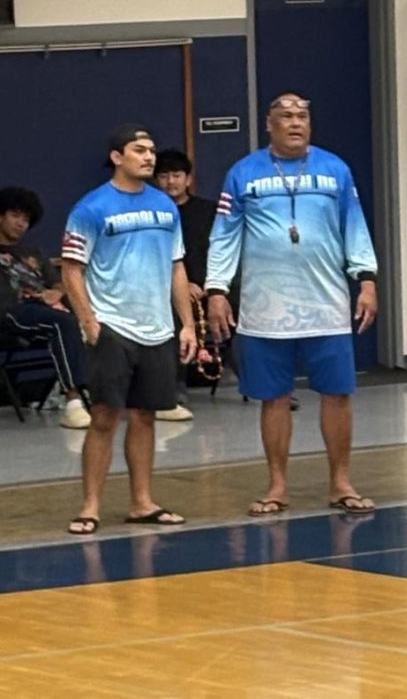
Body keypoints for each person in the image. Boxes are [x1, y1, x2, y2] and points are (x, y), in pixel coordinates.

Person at [205, 92, 379, 517]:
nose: (296, 123)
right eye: (286, 116)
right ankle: (277, 486)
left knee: (337, 394)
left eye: (303, 115)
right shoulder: (242, 174)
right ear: (269, 123)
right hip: (267, 310)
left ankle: (340, 482)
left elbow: (354, 227)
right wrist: (216, 290)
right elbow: (224, 236)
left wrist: (367, 281)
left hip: (328, 304)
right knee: (274, 397)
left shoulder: (335, 169)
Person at [60, 124, 197, 535]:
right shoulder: (91, 208)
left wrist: (186, 324)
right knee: (104, 416)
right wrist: (89, 322)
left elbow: (177, 266)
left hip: (157, 328)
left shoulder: (165, 206)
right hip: (113, 328)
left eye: (152, 150)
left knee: (146, 417)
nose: (149, 157)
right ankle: (90, 506)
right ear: (117, 157)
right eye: (139, 150)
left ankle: (142, 502)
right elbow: (71, 269)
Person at [0, 186, 91, 429]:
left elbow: (59, 282)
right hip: (10, 311)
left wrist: (56, 292)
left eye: (26, 219)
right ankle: (73, 400)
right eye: (15, 216)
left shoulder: (34, 253)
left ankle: (93, 392)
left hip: (45, 311)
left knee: (86, 317)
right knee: (62, 322)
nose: (21, 224)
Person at [153, 148, 219, 420]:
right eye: (164, 176)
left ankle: (263, 386)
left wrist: (211, 286)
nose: (171, 182)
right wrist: (183, 285)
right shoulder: (151, 213)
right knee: (176, 314)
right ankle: (175, 385)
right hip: (167, 290)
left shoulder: (208, 211)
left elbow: (220, 252)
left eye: (177, 175)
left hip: (210, 286)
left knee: (242, 310)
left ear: (188, 179)